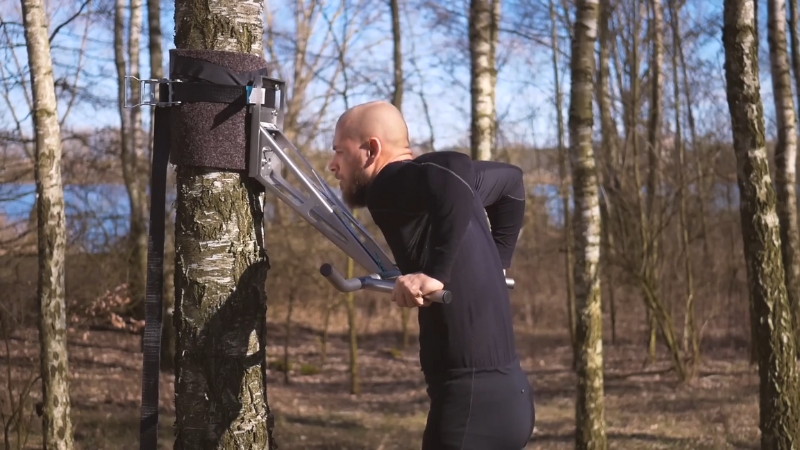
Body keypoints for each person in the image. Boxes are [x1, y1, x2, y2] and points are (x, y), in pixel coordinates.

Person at [327, 100, 534, 450]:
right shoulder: (439, 191)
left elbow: (452, 164)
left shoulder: (389, 184)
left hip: (470, 410)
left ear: (371, 149)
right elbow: (511, 182)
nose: (332, 165)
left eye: (339, 152)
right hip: (514, 398)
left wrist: (436, 273)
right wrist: (499, 262)